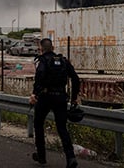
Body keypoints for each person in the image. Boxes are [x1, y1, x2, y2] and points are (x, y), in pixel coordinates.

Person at [29, 38, 81, 168]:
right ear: (52, 47)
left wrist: (34, 94)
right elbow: (75, 78)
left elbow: (39, 77)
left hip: (45, 97)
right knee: (62, 128)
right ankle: (70, 158)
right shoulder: (63, 61)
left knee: (38, 124)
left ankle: (41, 156)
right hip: (60, 97)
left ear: (41, 48)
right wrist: (74, 97)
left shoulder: (42, 61)